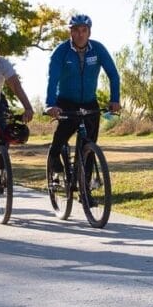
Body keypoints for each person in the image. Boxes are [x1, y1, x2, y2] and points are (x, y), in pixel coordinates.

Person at [45, 14, 121, 182]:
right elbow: (53, 79)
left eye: (84, 30)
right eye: (76, 30)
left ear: (89, 32)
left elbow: (113, 75)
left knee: (89, 145)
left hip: (89, 102)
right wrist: (50, 104)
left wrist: (115, 99)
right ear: (70, 33)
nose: (80, 34)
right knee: (62, 134)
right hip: (66, 101)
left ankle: (85, 187)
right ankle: (54, 156)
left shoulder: (98, 49)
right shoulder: (61, 51)